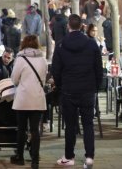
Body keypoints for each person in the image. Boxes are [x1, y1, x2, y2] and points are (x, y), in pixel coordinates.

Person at [51, 14, 103, 168]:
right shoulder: (91, 44)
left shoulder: (61, 45)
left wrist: (60, 86)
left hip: (68, 90)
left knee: (70, 126)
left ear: (68, 26)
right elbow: (98, 68)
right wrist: (96, 86)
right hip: (87, 90)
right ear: (82, 26)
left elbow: (56, 70)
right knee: (88, 124)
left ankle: (69, 156)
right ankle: (89, 157)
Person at [10, 35, 47, 169]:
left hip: (23, 98)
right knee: (35, 130)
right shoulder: (42, 60)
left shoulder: (20, 59)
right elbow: (43, 79)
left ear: (24, 44)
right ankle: (35, 160)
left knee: (21, 129)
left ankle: (20, 157)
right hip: (37, 98)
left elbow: (14, 79)